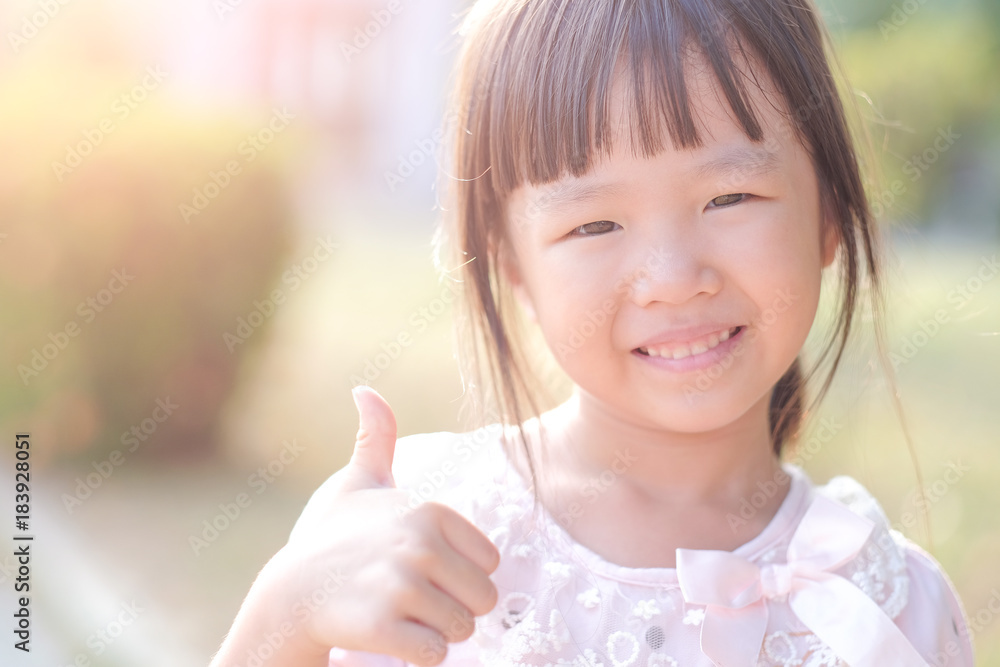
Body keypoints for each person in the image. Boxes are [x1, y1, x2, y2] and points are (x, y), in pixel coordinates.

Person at [210, 0, 975, 665]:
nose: (674, 276)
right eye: (595, 223)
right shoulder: (420, 535)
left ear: (830, 213)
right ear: (513, 267)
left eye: (731, 195)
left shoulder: (893, 603)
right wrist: (290, 607)